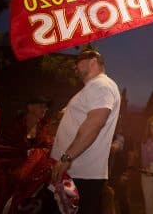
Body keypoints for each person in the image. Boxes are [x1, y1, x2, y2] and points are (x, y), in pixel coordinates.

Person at [50, 50, 121, 214]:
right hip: (72, 172)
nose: (74, 65)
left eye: (78, 60)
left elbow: (95, 122)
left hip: (80, 174)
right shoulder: (91, 88)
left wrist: (67, 157)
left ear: (93, 61)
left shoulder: (101, 85)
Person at [0, 95, 51, 214]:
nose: (45, 109)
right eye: (41, 106)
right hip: (6, 173)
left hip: (29, 178)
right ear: (30, 107)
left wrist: (35, 155)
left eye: (46, 107)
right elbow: (3, 147)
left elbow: (47, 147)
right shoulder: (15, 125)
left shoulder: (43, 128)